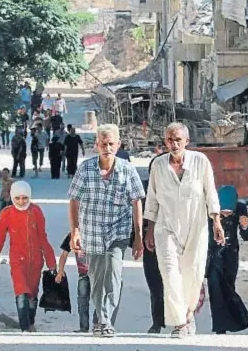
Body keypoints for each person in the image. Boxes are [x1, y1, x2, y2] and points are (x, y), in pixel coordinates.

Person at [144, 122, 225, 339]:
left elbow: (210, 192)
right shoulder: (158, 165)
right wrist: (149, 230)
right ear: (165, 141)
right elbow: (152, 199)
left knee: (193, 273)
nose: (174, 143)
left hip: (195, 228)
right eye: (170, 139)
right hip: (165, 228)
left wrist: (216, 221)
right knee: (170, 274)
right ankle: (179, 323)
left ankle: (188, 314)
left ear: (186, 141)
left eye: (178, 139)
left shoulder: (200, 161)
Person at [68, 124, 145, 338]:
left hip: (118, 232)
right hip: (91, 231)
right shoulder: (86, 169)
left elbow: (136, 202)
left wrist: (138, 237)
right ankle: (101, 316)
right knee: (97, 278)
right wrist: (75, 231)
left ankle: (105, 320)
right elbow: (74, 199)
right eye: (103, 144)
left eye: (111, 144)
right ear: (96, 145)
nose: (107, 148)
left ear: (118, 145)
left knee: (113, 273)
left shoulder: (127, 170)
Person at [0, 181, 56, 332]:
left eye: (24, 198)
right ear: (12, 197)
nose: (21, 201)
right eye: (17, 198)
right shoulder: (7, 213)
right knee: (21, 291)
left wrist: (51, 262)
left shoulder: (36, 211)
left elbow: (43, 238)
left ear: (29, 197)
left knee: (32, 294)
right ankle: (25, 329)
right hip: (17, 260)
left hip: (36, 261)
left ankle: (31, 322)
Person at [206, 186, 248, 335]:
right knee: (214, 288)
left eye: (229, 213)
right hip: (212, 254)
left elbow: (246, 236)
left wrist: (245, 227)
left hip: (231, 254)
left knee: (229, 287)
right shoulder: (209, 209)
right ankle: (220, 326)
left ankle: (235, 322)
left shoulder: (240, 208)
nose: (226, 216)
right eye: (223, 213)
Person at [141, 148, 168, 334]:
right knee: (155, 285)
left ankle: (179, 319)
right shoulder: (142, 191)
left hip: (172, 242)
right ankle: (157, 321)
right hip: (149, 244)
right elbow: (134, 217)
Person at [56, 233, 98, 333]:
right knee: (82, 300)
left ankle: (97, 323)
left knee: (99, 299)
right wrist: (60, 271)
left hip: (98, 273)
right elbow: (64, 255)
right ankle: (84, 327)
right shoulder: (73, 235)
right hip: (83, 273)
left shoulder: (96, 231)